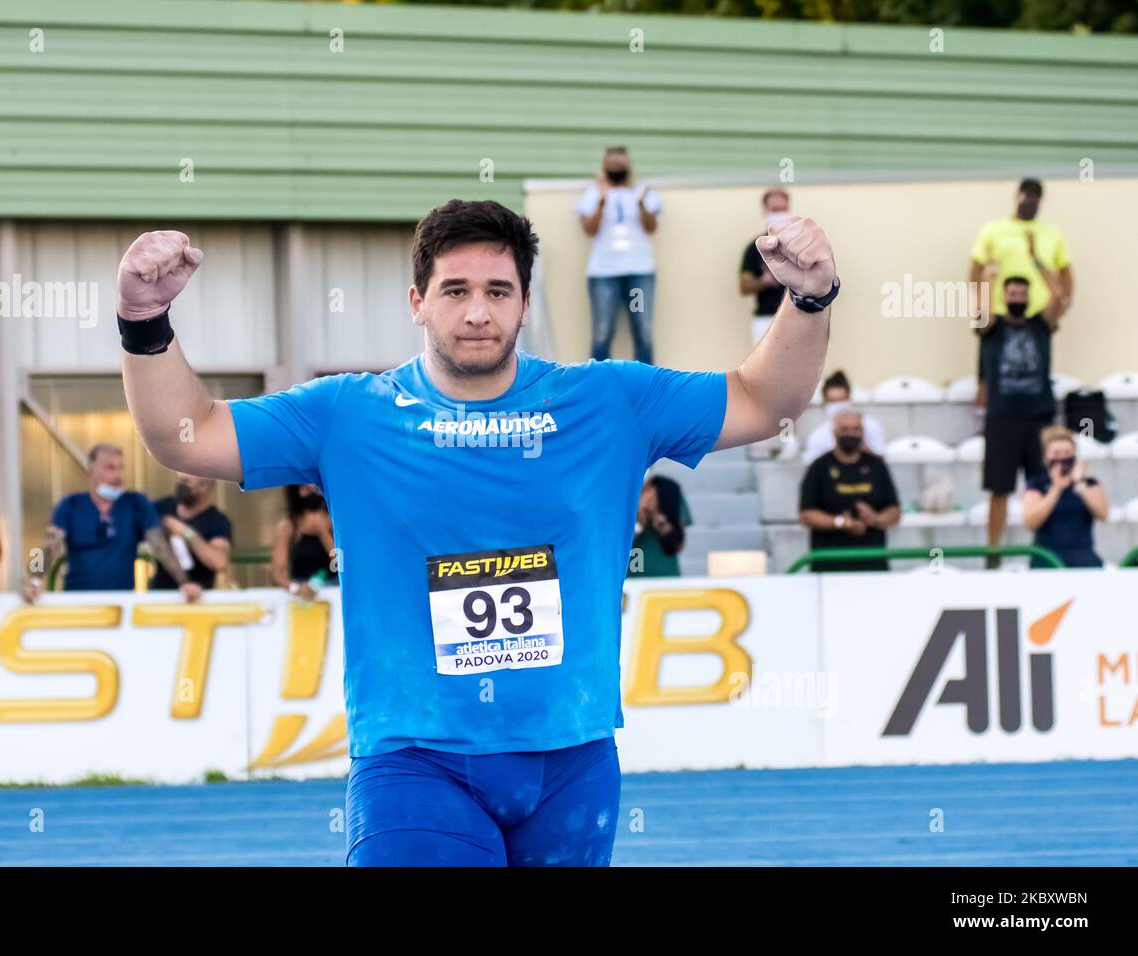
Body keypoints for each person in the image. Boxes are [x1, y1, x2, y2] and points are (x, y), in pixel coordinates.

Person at [115, 199, 837, 867]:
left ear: (525, 305)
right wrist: (143, 320)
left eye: (498, 291)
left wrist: (808, 300)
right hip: (415, 760)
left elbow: (762, 400)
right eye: (455, 290)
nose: (477, 312)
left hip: (573, 762)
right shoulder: (348, 414)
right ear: (417, 304)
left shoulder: (610, 400)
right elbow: (190, 436)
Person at [23, 443, 200, 602]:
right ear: (92, 469)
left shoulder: (136, 503)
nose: (118, 475)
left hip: (121, 604)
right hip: (77, 602)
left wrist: (184, 582)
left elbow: (160, 546)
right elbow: (46, 547)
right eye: (110, 468)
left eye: (121, 468)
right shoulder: (70, 505)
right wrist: (33, 580)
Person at [968, 179, 1074, 423]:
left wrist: (1061, 307)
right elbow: (977, 270)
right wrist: (982, 303)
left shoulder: (1051, 233)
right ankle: (983, 426)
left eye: (1035, 199)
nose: (1030, 203)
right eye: (1026, 197)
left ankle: (1035, 424)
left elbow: (1064, 278)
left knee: (1034, 371)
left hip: (1036, 315)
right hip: (998, 313)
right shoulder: (994, 229)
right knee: (989, 374)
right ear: (1017, 197)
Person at [979, 275, 1067, 567]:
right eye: (1012, 293)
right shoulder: (992, 328)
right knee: (999, 489)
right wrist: (986, 280)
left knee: (1044, 484)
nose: (1017, 297)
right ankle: (994, 556)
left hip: (1039, 418)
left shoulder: (1041, 326)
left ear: (1029, 297)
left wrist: (1038, 263)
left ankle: (1048, 550)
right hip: (1002, 418)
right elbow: (981, 310)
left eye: (1022, 293)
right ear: (1005, 297)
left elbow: (1059, 296)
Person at [575, 146, 663, 365]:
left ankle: (645, 389)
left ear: (629, 166)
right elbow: (589, 229)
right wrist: (602, 200)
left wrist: (642, 204)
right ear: (604, 167)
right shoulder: (592, 195)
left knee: (642, 331)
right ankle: (598, 389)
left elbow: (651, 227)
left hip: (639, 271)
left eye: (620, 164)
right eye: (612, 164)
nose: (616, 168)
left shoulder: (642, 193)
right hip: (604, 273)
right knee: (602, 332)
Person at [798, 407, 901, 572]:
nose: (851, 434)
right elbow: (806, 515)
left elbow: (894, 512)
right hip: (829, 564)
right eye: (845, 429)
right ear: (834, 433)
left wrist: (875, 519)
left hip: (872, 563)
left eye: (856, 429)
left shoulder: (877, 466)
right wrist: (840, 522)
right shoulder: (818, 467)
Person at [1023, 425, 1106, 569]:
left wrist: (1080, 483)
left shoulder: (1089, 483)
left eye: (1067, 452)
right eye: (1056, 453)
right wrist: (1056, 489)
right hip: (1047, 557)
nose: (1062, 458)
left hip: (1083, 556)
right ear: (1045, 456)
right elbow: (1031, 522)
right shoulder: (1037, 484)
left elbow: (1102, 514)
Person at [150, 472, 232, 591]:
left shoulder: (217, 521)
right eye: (182, 479)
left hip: (198, 600)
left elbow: (219, 562)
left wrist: (187, 533)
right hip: (161, 597)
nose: (183, 477)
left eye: (188, 480)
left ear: (207, 484)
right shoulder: (162, 508)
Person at [739, 187, 792, 344]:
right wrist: (765, 280)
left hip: (797, 317)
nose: (780, 213)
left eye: (783, 209)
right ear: (765, 211)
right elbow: (744, 286)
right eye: (775, 209)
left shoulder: (798, 246)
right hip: (766, 320)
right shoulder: (755, 248)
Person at [801, 370, 887, 463]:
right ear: (825, 402)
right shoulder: (817, 436)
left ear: (849, 398)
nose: (838, 406)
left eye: (841, 400)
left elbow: (881, 459)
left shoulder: (870, 425)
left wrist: (862, 445)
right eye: (832, 401)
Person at [271, 483, 337, 600]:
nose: (311, 490)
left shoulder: (335, 523)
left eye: (316, 488)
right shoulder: (288, 526)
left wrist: (322, 532)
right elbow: (277, 574)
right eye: (304, 488)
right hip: (301, 592)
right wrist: (296, 588)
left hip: (333, 592)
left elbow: (341, 565)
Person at [627, 475, 690, 578]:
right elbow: (614, 545)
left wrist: (660, 522)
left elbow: (679, 544)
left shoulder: (668, 488)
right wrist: (639, 521)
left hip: (665, 577)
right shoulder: (622, 493)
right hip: (631, 579)